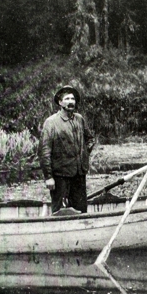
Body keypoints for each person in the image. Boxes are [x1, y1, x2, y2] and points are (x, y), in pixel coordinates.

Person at [38, 86, 95, 214]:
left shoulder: (79, 119)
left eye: (73, 99)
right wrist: (48, 177)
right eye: (67, 98)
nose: (71, 102)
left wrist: (83, 155)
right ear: (60, 102)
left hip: (79, 174)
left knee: (81, 210)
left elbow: (90, 139)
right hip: (60, 176)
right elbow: (44, 152)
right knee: (59, 212)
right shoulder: (51, 123)